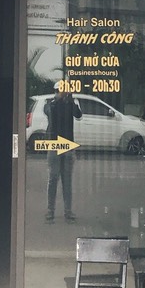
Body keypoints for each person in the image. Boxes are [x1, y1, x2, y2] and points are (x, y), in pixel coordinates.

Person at [44, 90, 80, 222]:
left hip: (68, 144)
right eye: (61, 91)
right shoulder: (51, 103)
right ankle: (50, 210)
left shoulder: (70, 104)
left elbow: (78, 115)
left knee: (67, 180)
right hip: (54, 144)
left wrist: (71, 101)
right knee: (53, 178)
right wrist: (58, 99)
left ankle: (68, 211)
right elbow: (49, 112)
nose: (63, 94)